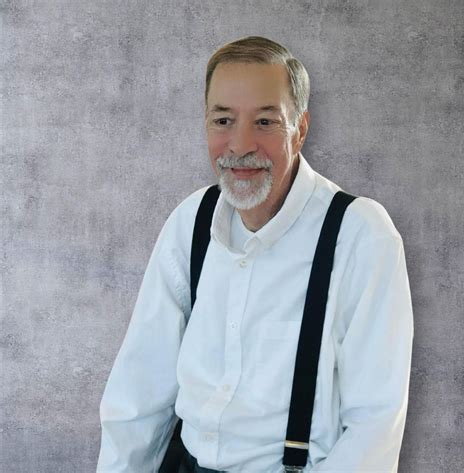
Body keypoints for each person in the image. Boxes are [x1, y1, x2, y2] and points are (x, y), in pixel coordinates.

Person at [96, 36, 414, 472]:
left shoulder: (360, 236)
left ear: (300, 129)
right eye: (223, 120)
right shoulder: (191, 221)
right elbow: (138, 395)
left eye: (265, 122)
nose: (240, 144)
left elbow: (374, 429)